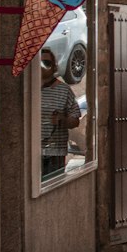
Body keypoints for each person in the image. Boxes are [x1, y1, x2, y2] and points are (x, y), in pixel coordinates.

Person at [40, 48, 81, 180]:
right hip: (33, 152)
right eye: (39, 63)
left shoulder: (64, 90)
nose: (43, 67)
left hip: (54, 153)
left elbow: (76, 120)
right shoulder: (30, 90)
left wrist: (62, 120)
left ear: (54, 66)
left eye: (47, 63)